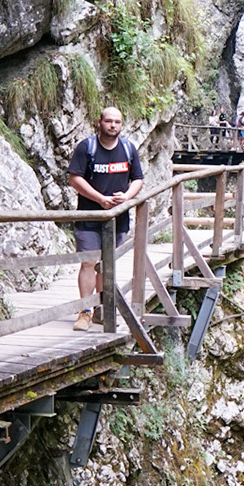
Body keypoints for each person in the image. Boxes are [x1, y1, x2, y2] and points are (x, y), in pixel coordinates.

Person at [67, 106, 144, 330]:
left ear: (121, 125)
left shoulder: (128, 149)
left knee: (106, 263)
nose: (113, 125)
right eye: (109, 121)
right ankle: (85, 311)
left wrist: (126, 196)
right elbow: (75, 178)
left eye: (117, 122)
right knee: (89, 262)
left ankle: (101, 309)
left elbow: (138, 179)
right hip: (89, 216)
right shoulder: (87, 147)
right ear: (99, 122)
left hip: (118, 219)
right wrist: (100, 199)